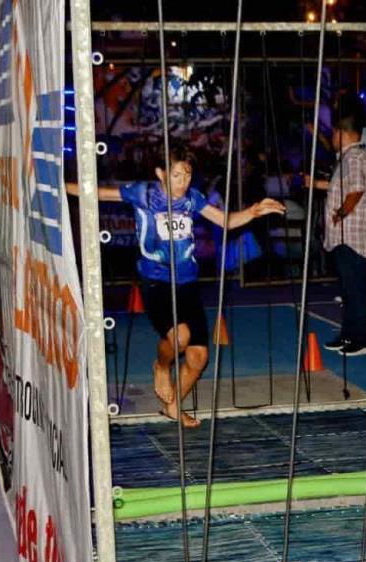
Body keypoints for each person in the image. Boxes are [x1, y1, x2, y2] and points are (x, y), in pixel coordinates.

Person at [68, 145, 284, 426]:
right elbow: (94, 192)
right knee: (179, 338)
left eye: (187, 175)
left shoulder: (192, 198)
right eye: (177, 175)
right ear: (160, 173)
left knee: (198, 357)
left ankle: (173, 406)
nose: (183, 182)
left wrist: (254, 211)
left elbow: (226, 221)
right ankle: (161, 366)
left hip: (187, 284)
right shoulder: (143, 193)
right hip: (156, 281)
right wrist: (57, 185)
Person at [307, 95, 366, 354]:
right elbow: (343, 187)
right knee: (349, 289)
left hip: (351, 237)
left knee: (355, 290)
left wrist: (341, 213)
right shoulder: (349, 158)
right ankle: (348, 334)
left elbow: (355, 190)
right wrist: (313, 183)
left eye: (333, 132)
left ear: (341, 133)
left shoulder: (354, 158)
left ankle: (360, 338)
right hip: (345, 237)